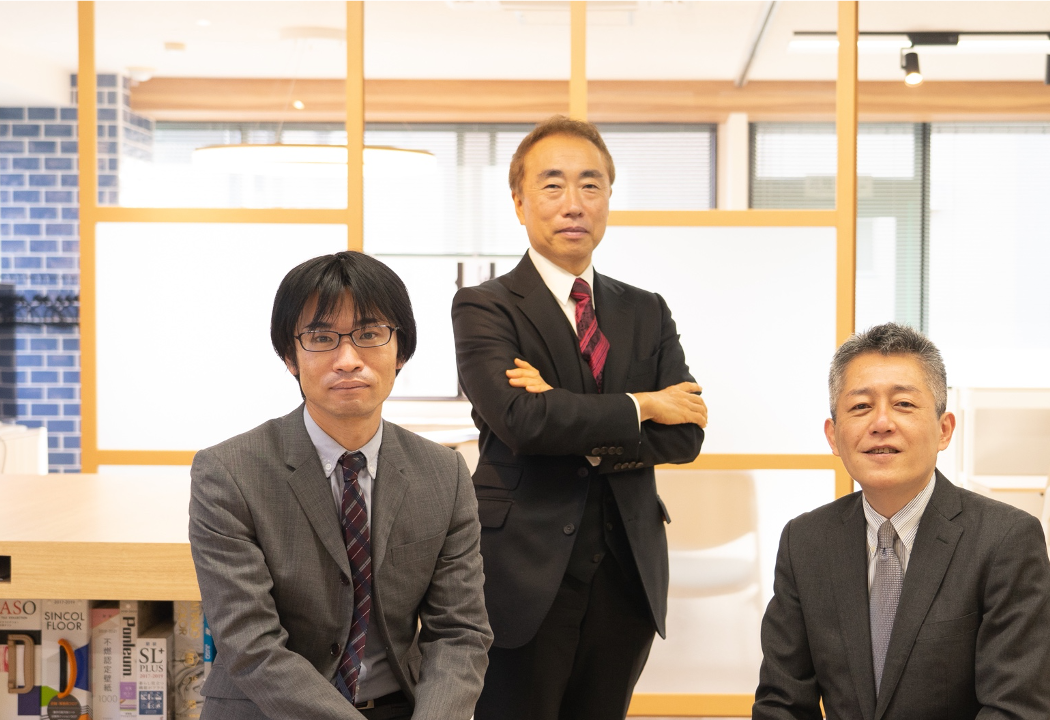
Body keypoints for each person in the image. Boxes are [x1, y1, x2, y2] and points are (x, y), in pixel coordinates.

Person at [452, 115, 708, 720]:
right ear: (519, 202)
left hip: (627, 573)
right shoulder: (484, 306)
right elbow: (521, 421)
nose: (574, 203)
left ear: (609, 197)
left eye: (590, 185)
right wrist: (642, 406)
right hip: (522, 571)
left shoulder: (646, 310)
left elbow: (685, 435)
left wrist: (565, 412)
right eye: (552, 185)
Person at [189, 251, 491, 720]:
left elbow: (459, 633)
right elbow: (251, 644)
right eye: (321, 338)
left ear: (401, 351)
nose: (348, 360)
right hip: (269, 710)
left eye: (369, 335)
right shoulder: (227, 473)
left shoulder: (445, 474)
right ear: (289, 356)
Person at [754, 323, 1050, 720]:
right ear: (833, 435)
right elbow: (782, 703)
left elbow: (1015, 708)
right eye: (860, 407)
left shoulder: (1006, 540)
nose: (881, 423)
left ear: (944, 430)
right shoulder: (805, 541)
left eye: (904, 404)